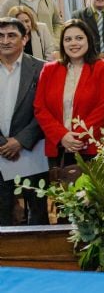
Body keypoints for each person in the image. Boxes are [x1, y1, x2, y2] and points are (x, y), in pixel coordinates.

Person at [34, 19, 104, 165]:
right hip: (58, 147)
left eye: (79, 38)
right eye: (68, 39)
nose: (73, 43)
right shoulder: (49, 69)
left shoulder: (103, 68)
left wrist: (78, 136)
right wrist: (62, 136)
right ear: (62, 44)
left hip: (93, 146)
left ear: (88, 40)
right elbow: (40, 108)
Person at [0, 18, 48, 225]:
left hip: (32, 150)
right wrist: (3, 143)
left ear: (25, 38)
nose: (5, 41)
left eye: (12, 35)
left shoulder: (42, 68)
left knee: (37, 213)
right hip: (0, 152)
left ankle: (41, 257)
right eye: (1, 36)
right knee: (2, 213)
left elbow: (47, 110)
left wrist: (21, 140)